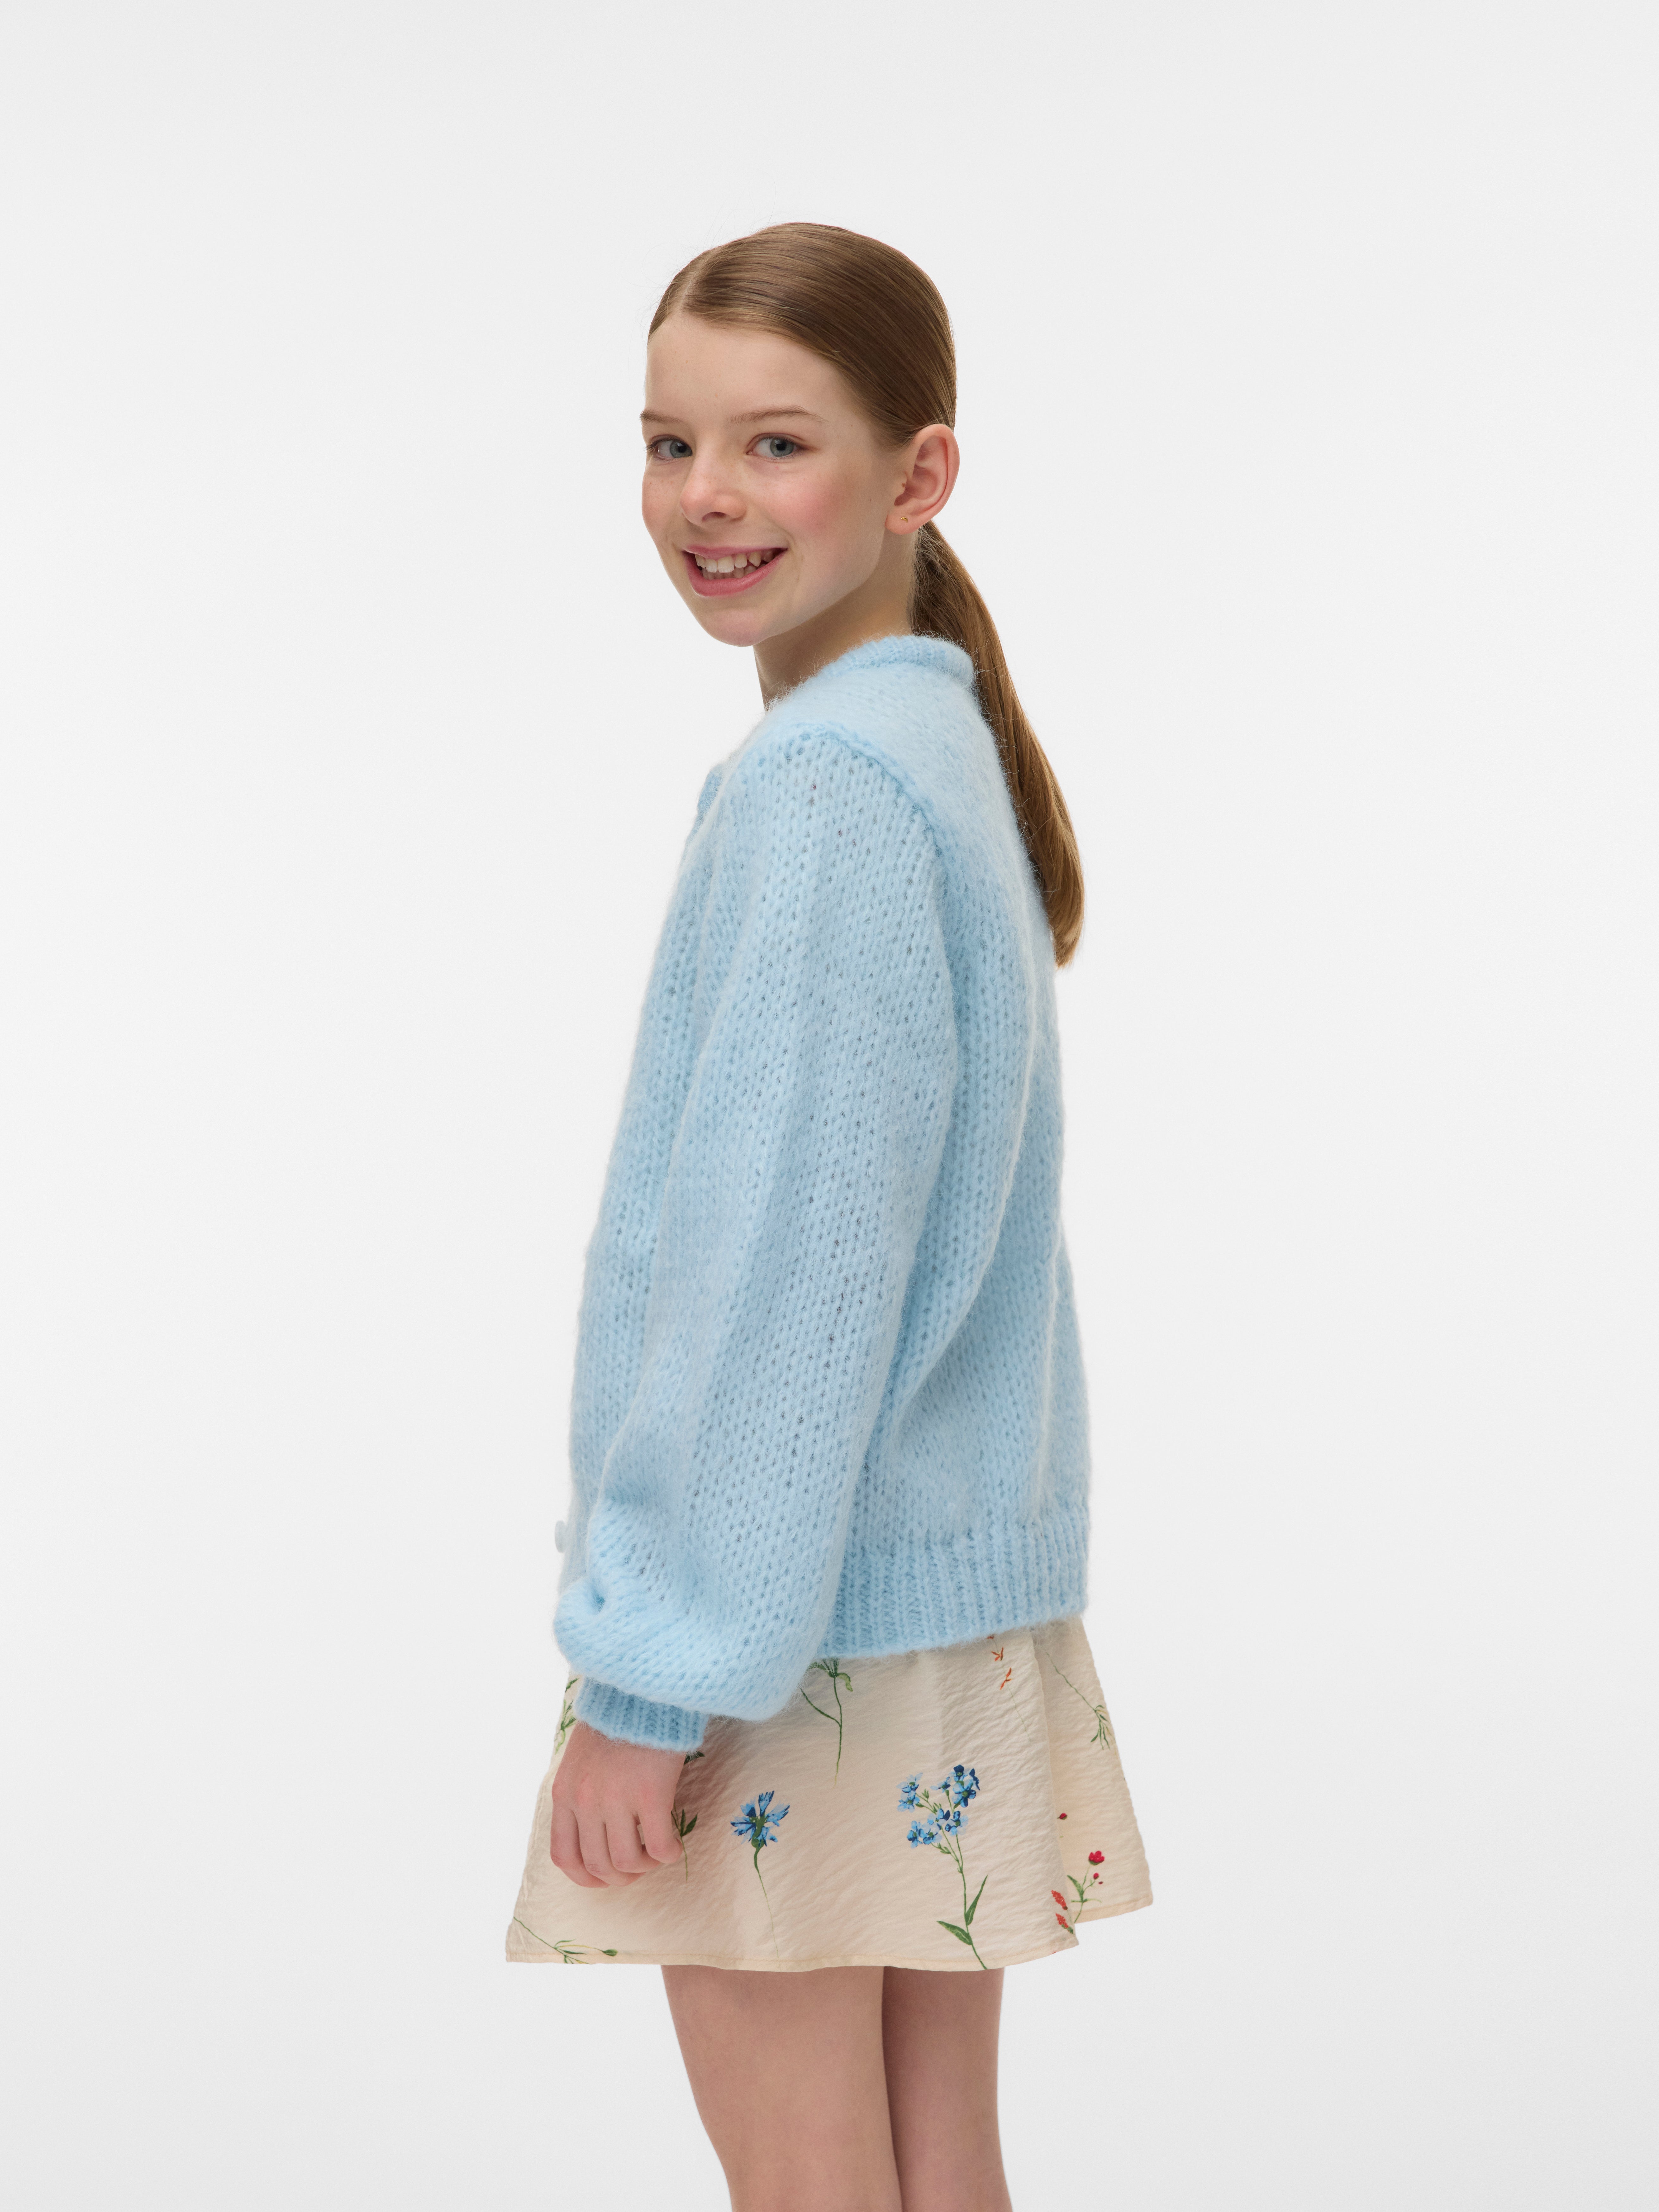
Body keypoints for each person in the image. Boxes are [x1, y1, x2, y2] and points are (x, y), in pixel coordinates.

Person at [506, 222, 1151, 2212]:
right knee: (936, 2175)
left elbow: (785, 1279)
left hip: (785, 1646)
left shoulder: (824, 794)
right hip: (933, 1622)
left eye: (776, 444)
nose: (708, 495)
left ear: (917, 473)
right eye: (670, 441)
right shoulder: (930, 746)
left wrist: (653, 1679)